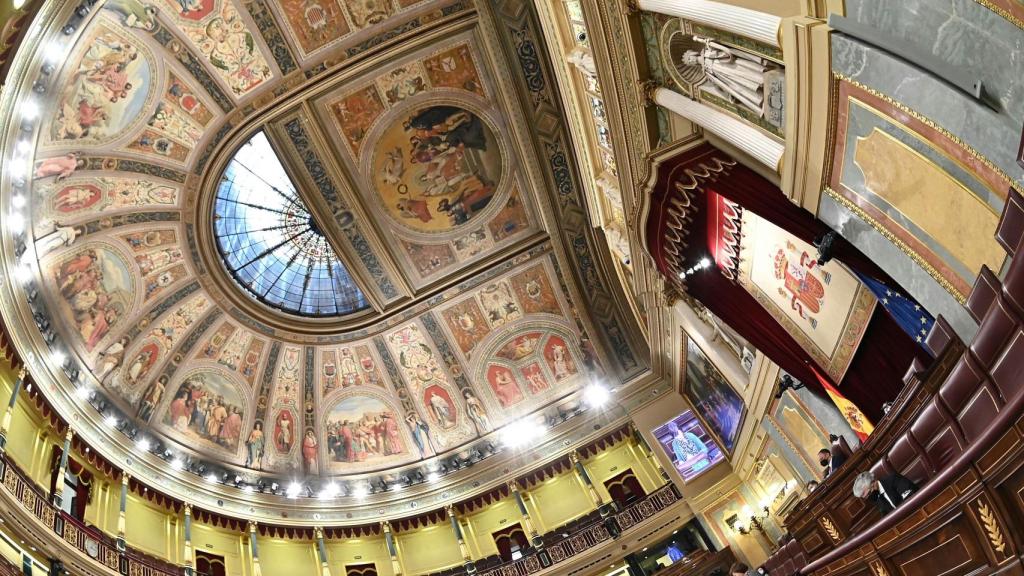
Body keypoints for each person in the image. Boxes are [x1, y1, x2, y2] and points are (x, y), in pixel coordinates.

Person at [853, 471, 918, 516]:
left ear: (873, 482)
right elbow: (884, 514)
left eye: (869, 493)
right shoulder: (875, 496)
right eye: (865, 497)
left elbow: (909, 497)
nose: (869, 497)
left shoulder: (893, 479)